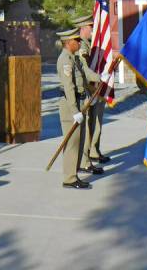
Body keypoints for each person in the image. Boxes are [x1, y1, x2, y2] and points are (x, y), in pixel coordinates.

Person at [73, 14, 111, 168]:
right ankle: (85, 159)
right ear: (82, 28)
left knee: (95, 123)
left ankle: (93, 152)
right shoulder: (81, 47)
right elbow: (84, 71)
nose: (93, 30)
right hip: (88, 89)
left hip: (95, 88)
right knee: (87, 127)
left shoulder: (88, 44)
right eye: (90, 27)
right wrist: (93, 87)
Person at [56, 27, 92, 189]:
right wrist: (75, 111)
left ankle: (74, 174)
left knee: (79, 140)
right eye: (76, 40)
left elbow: (86, 73)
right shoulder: (65, 60)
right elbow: (69, 87)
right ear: (69, 42)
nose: (79, 42)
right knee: (72, 143)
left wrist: (102, 78)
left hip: (78, 103)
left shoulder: (74, 58)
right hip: (70, 105)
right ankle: (69, 178)